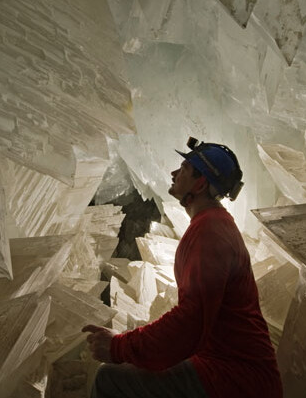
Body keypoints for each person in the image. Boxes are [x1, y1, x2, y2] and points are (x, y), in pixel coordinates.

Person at [82, 137, 283, 398]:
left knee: (111, 379)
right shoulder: (213, 224)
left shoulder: (210, 232)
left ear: (200, 183)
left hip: (233, 379)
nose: (174, 173)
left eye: (185, 169)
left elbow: (189, 322)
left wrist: (120, 347)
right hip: (230, 371)